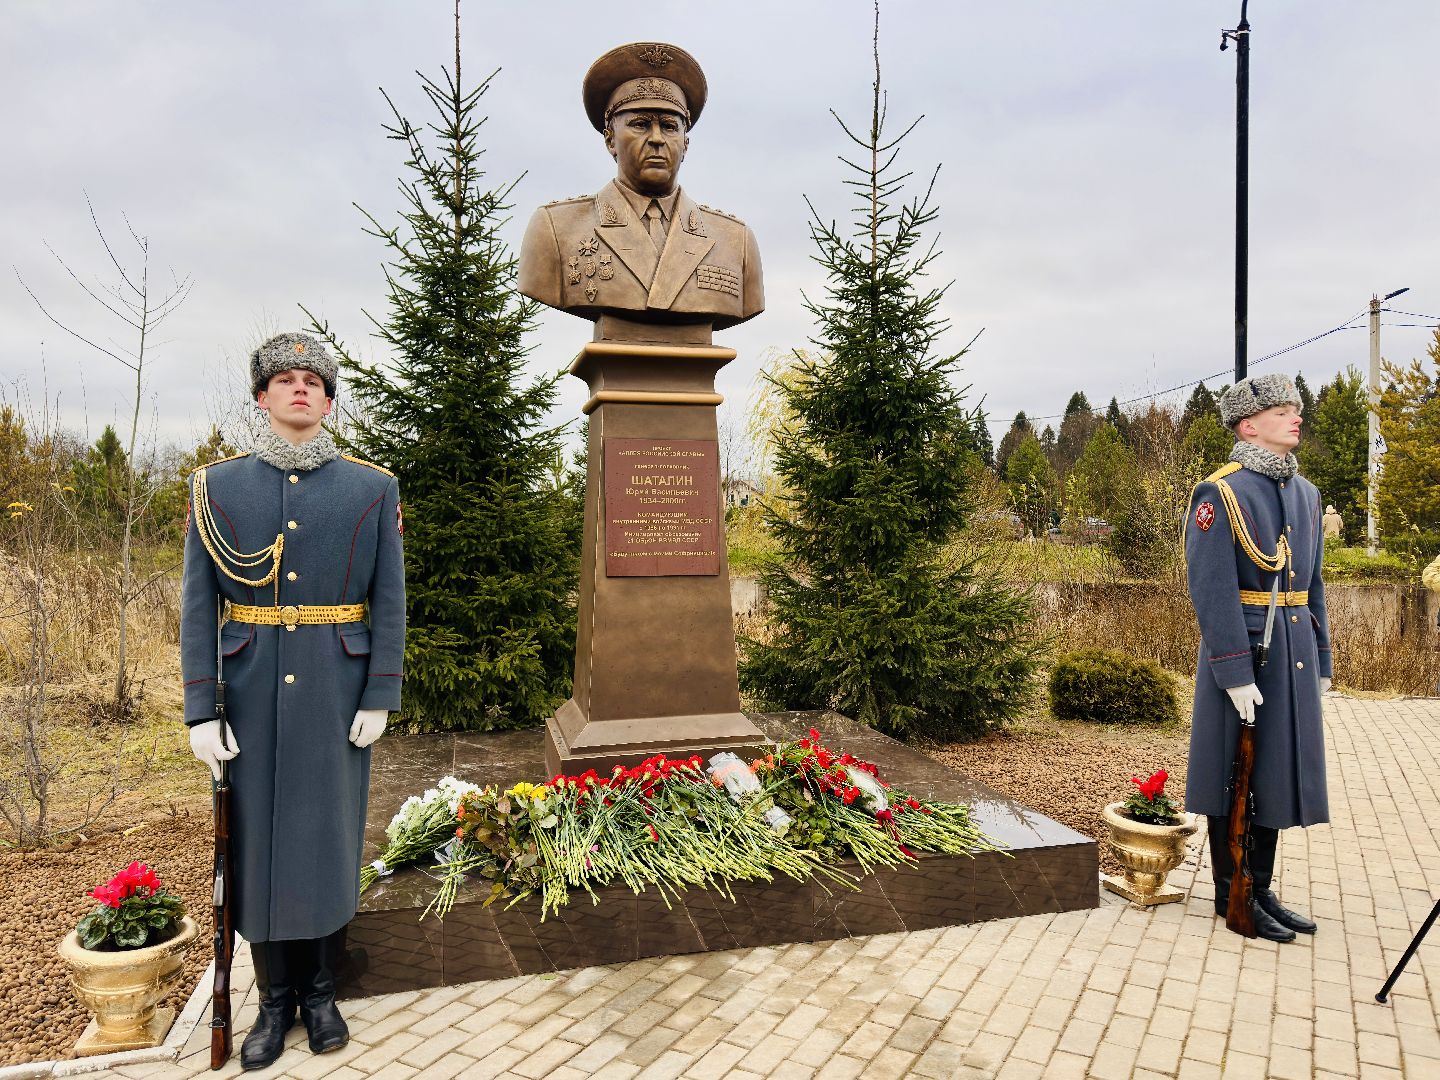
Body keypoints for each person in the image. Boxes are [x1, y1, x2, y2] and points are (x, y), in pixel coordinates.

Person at [180, 332, 404, 1070]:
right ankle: (272, 1002)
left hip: (337, 691)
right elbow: (198, 607)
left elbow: (390, 601)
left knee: (324, 838)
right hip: (248, 694)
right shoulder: (216, 489)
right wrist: (201, 708)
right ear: (262, 397)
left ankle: (320, 992)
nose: (300, 389)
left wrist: (381, 690)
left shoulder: (372, 489)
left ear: (330, 402)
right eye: (286, 379)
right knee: (257, 845)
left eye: (314, 380)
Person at [1184, 373, 1331, 943]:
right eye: (1281, 411)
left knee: (1273, 769)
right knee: (1233, 773)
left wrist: (1321, 658)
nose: (1296, 417)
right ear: (1249, 425)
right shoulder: (1219, 494)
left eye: (1296, 407)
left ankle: (1261, 887)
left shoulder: (1305, 494)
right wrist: (1233, 671)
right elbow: (1213, 590)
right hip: (1245, 649)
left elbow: (1313, 586)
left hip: (1291, 648)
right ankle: (1231, 894)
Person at [518, 41, 763, 330]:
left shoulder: (735, 241)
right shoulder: (556, 229)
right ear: (610, 139)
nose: (657, 138)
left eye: (670, 126)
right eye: (641, 124)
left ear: (685, 144)